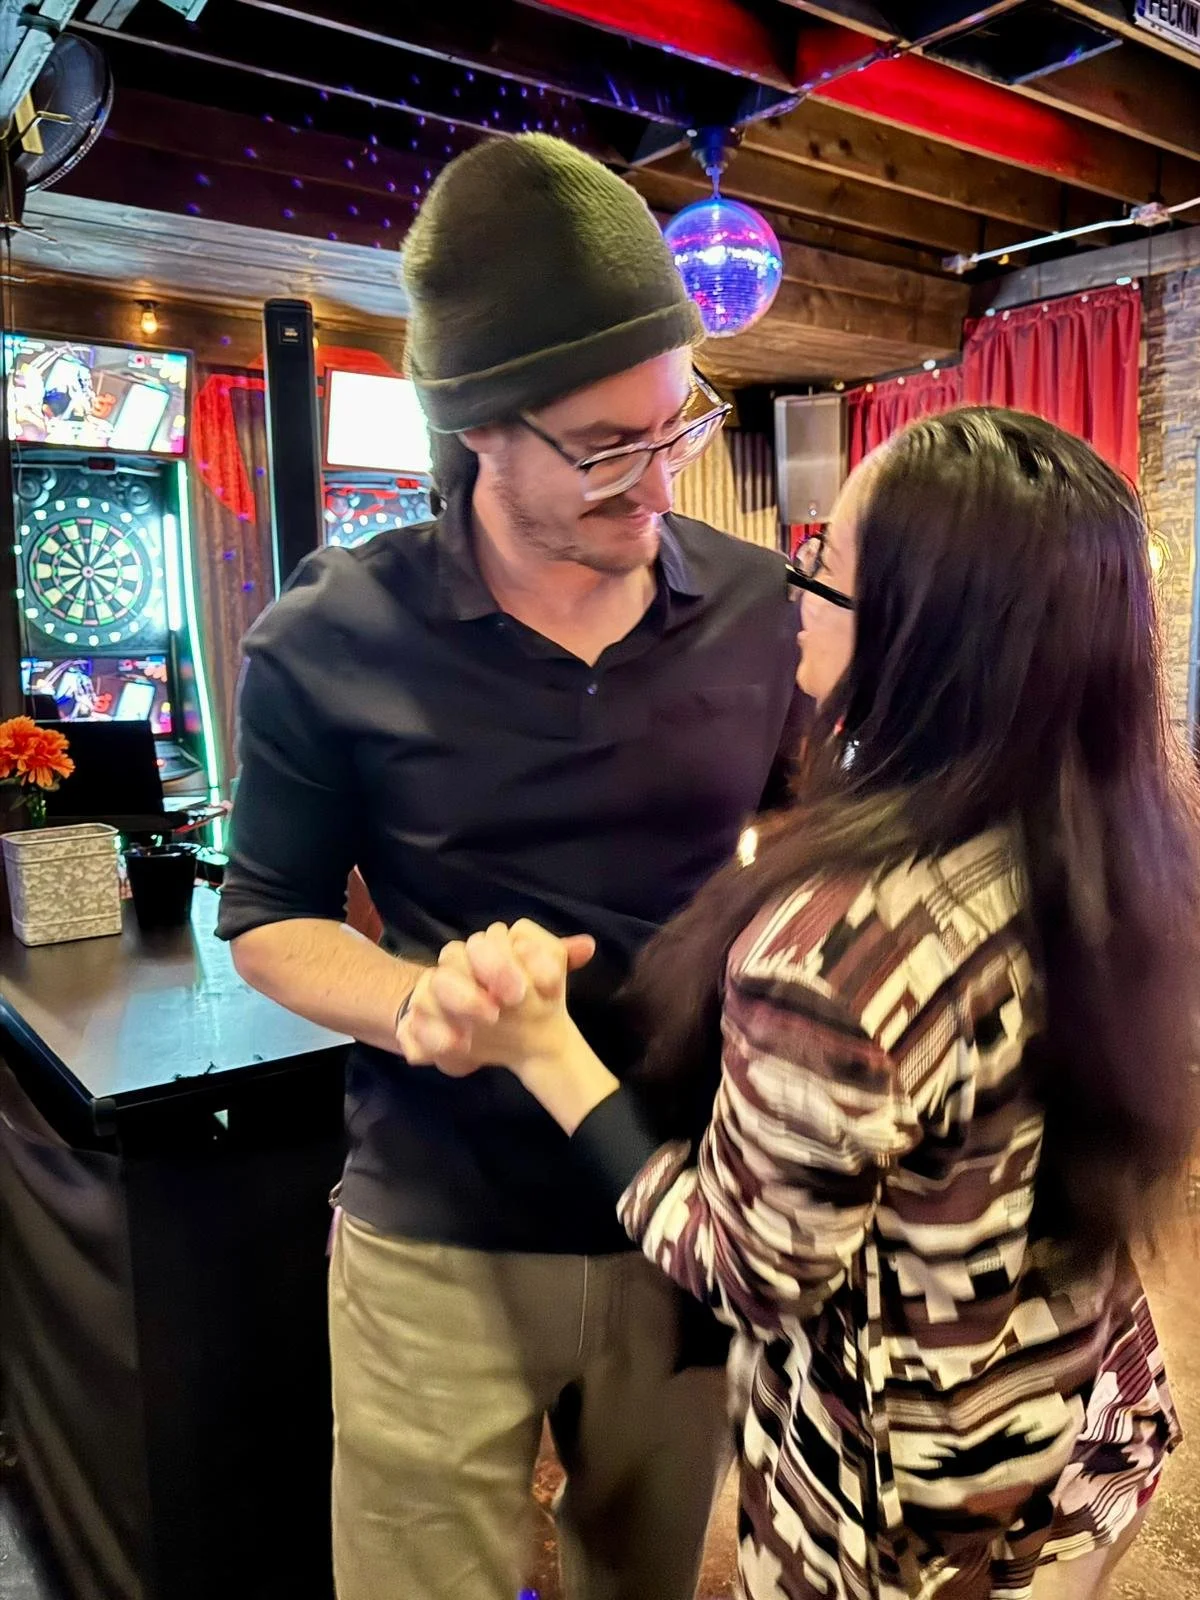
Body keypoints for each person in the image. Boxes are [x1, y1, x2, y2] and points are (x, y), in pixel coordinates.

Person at [400, 407, 1200, 1599]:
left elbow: (751, 1268)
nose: (797, 592)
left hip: (914, 1512)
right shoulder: (1113, 841)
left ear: (921, 634)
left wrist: (544, 1048)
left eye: (823, 563)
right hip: (1081, 1411)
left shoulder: (837, 949)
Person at [217, 132, 807, 1600]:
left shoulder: (760, 609)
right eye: (606, 448)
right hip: (437, 1226)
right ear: (480, 426)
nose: (656, 481)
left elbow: (804, 853)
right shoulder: (330, 634)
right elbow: (269, 919)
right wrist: (414, 1000)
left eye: (676, 427)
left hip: (683, 1202)